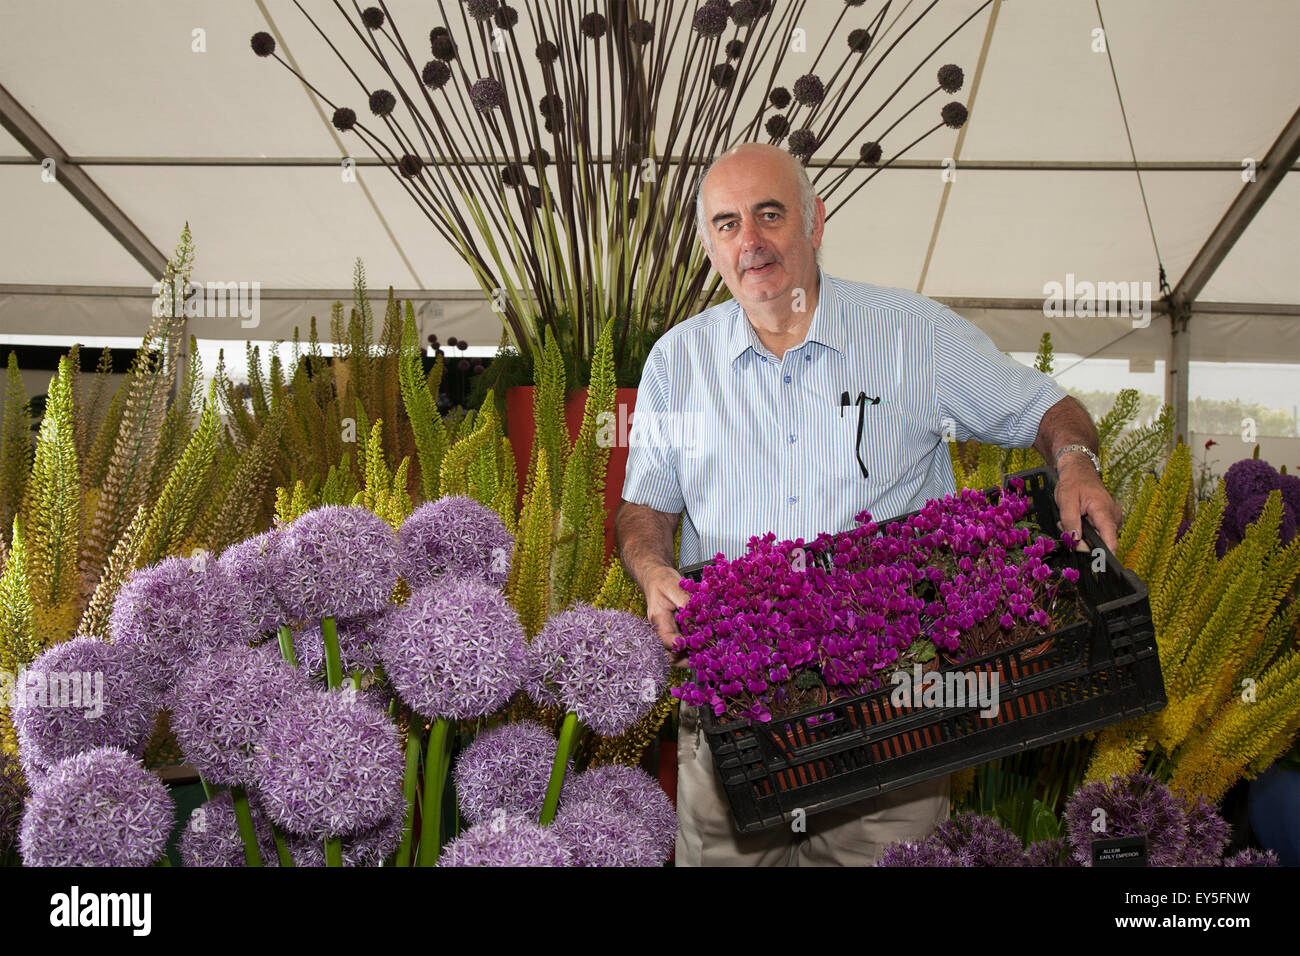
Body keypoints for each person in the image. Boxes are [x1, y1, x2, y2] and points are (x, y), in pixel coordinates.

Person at [614, 142, 1123, 866]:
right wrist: (650, 566)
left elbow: (1045, 407)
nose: (750, 242)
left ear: (815, 221)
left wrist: (1075, 462)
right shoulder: (678, 361)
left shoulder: (912, 336)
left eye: (769, 214)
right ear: (708, 244)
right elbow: (646, 507)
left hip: (892, 719)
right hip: (734, 728)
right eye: (727, 224)